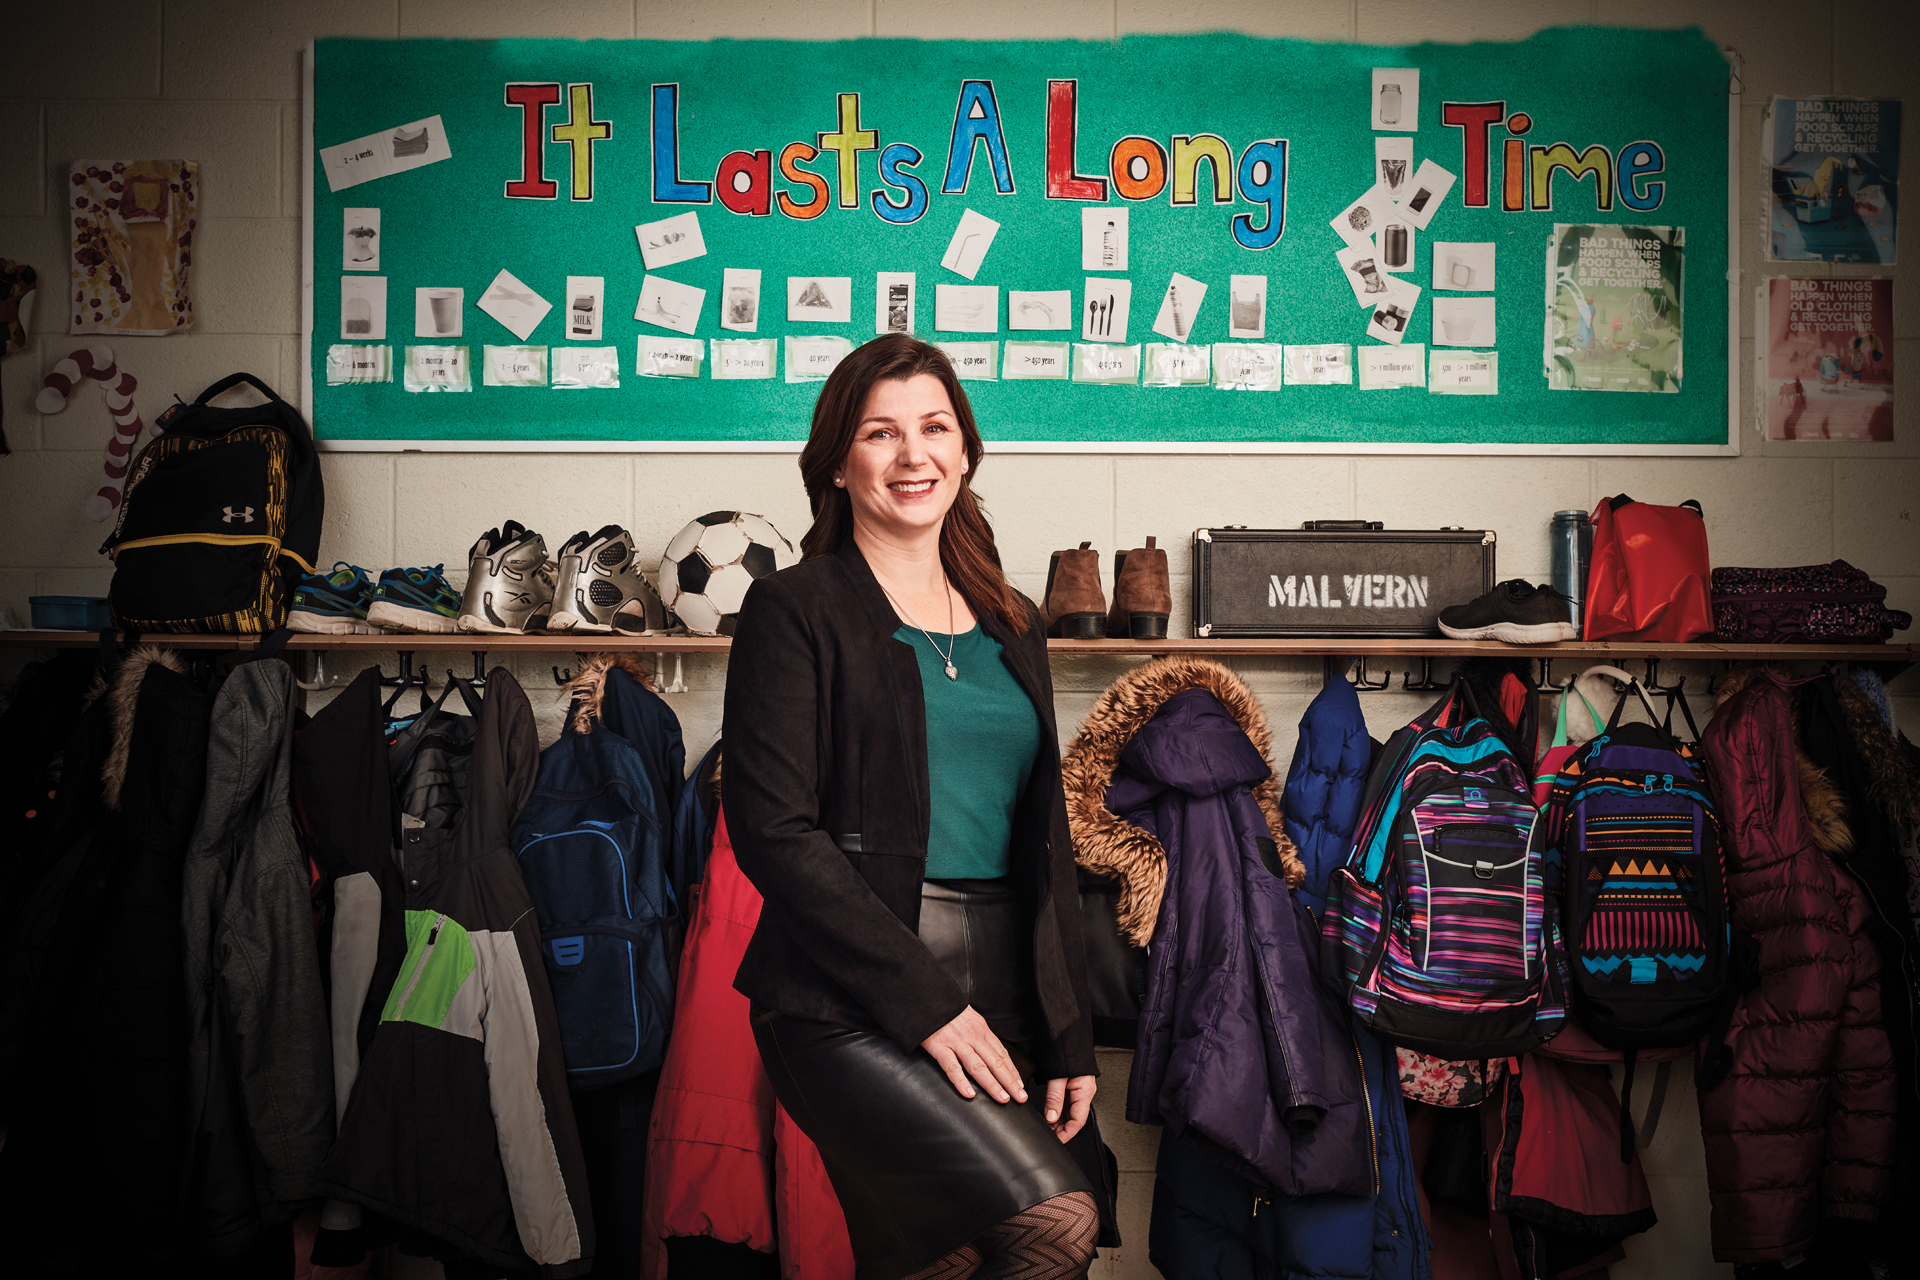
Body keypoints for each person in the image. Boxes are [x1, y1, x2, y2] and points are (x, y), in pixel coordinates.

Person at [722, 334, 1104, 1279]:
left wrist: (1067, 1031)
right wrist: (926, 1003)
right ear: (839, 464)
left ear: (965, 452)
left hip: (1005, 984)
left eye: (934, 428)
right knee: (1054, 1225)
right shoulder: (792, 608)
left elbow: (1044, 841)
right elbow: (772, 832)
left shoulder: (1016, 621)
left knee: (948, 1259)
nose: (911, 455)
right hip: (845, 996)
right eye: (880, 433)